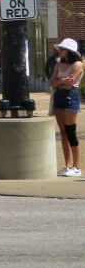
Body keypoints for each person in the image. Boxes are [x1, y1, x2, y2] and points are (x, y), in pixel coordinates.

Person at [50, 39, 83, 177]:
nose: (60, 50)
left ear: (69, 51)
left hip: (71, 97)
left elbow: (71, 85)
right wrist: (62, 81)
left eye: (63, 48)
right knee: (62, 132)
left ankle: (76, 166)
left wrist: (59, 83)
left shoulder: (77, 64)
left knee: (71, 132)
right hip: (58, 97)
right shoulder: (59, 64)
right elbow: (51, 82)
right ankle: (67, 165)